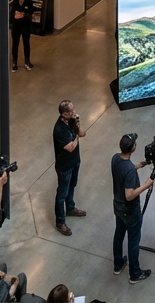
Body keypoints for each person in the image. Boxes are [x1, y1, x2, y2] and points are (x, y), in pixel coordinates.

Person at [111, 131, 153, 283]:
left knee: (119, 234)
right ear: (133, 148)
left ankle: (118, 264)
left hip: (117, 207)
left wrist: (137, 166)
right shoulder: (129, 170)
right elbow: (129, 195)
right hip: (130, 211)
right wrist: (146, 185)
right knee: (133, 241)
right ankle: (135, 273)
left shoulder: (115, 158)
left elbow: (123, 172)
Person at [53, 98, 87, 236]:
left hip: (75, 162)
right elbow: (71, 147)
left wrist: (78, 124)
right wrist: (76, 137)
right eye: (71, 111)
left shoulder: (72, 120)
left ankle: (71, 208)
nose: (74, 112)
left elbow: (83, 133)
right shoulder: (59, 130)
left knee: (72, 186)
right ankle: (60, 221)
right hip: (64, 166)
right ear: (64, 114)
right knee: (62, 194)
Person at [9, 0, 35, 72]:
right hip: (16, 26)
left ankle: (27, 61)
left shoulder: (29, 2)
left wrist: (23, 15)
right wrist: (15, 16)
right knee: (15, 44)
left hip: (25, 26)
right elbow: (12, 14)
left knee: (26, 43)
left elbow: (31, 14)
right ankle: (14, 62)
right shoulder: (14, 2)